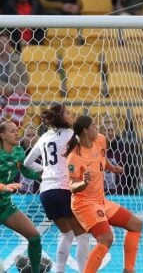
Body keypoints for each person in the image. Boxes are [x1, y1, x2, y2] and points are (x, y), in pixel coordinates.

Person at [65, 115, 142, 272]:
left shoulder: (100, 139)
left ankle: (128, 270)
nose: (98, 128)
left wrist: (112, 167)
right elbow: (72, 186)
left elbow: (101, 157)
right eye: (94, 125)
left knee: (136, 224)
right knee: (106, 239)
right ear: (86, 131)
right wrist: (84, 183)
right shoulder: (75, 157)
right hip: (84, 204)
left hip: (100, 200)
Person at [23, 104, 89, 273]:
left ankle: (59, 270)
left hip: (46, 191)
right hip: (64, 188)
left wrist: (45, 169)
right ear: (61, 117)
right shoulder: (72, 136)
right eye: (67, 112)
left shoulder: (44, 137)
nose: (70, 114)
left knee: (67, 234)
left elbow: (27, 163)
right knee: (82, 235)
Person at [0, 121, 42, 273]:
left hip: (5, 206)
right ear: (2, 135)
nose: (16, 133)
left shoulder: (19, 152)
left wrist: (43, 176)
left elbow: (26, 172)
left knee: (35, 237)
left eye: (17, 130)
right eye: (12, 131)